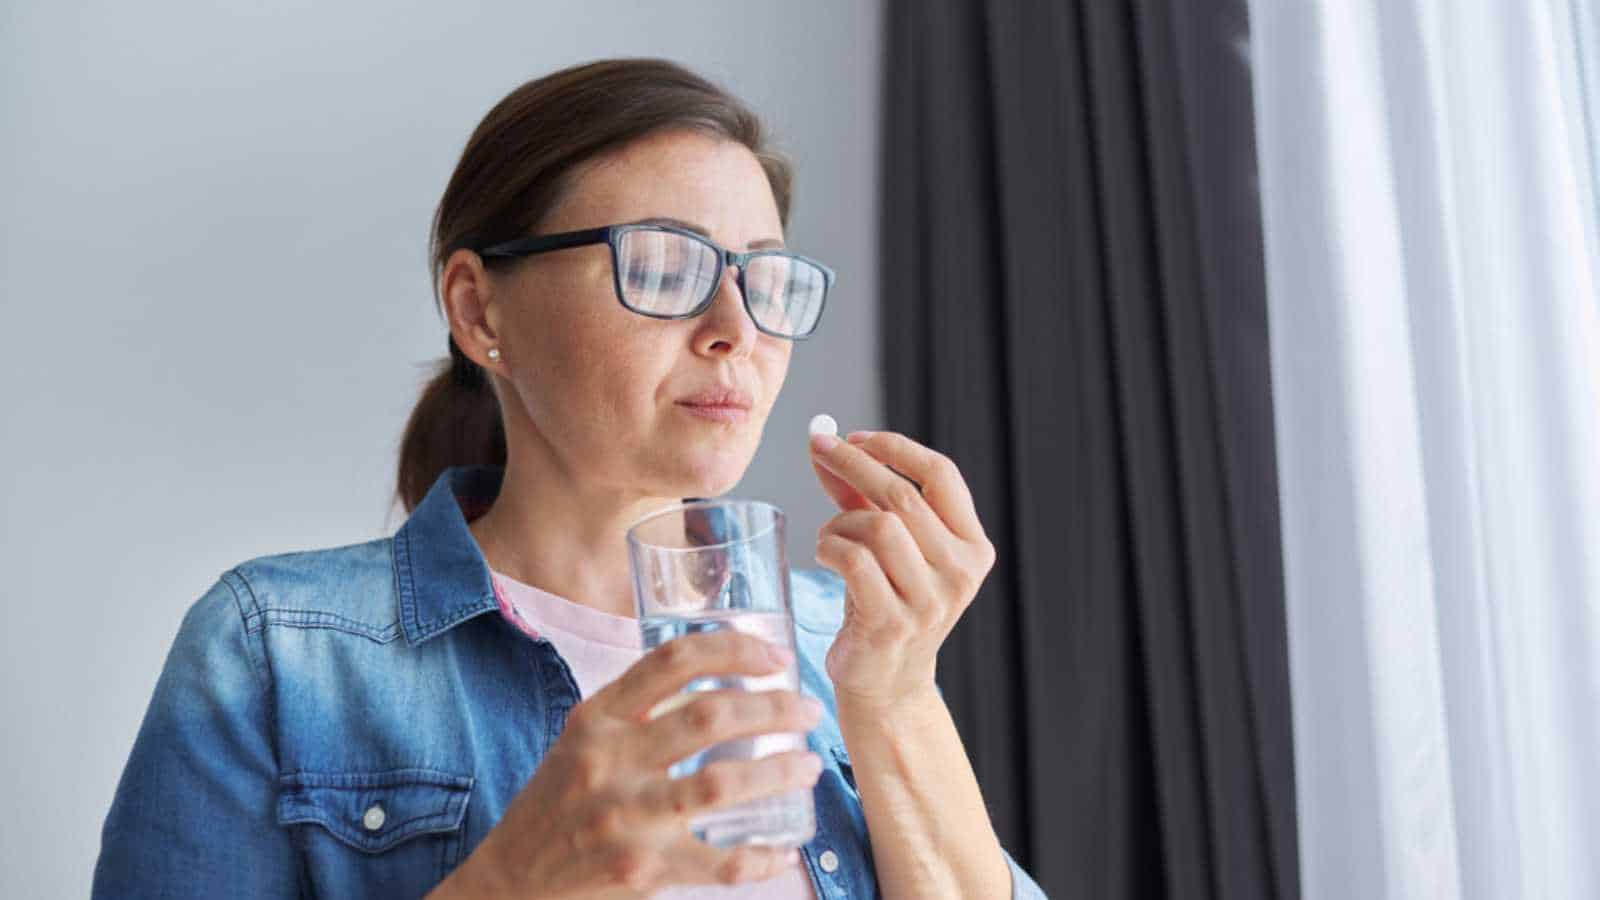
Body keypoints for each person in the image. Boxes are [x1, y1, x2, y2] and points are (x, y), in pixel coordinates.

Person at [91, 57, 1049, 900]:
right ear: (477, 311)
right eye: (667, 266)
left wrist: (895, 694)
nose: (736, 327)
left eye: (764, 277)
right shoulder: (279, 655)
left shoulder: (844, 641)